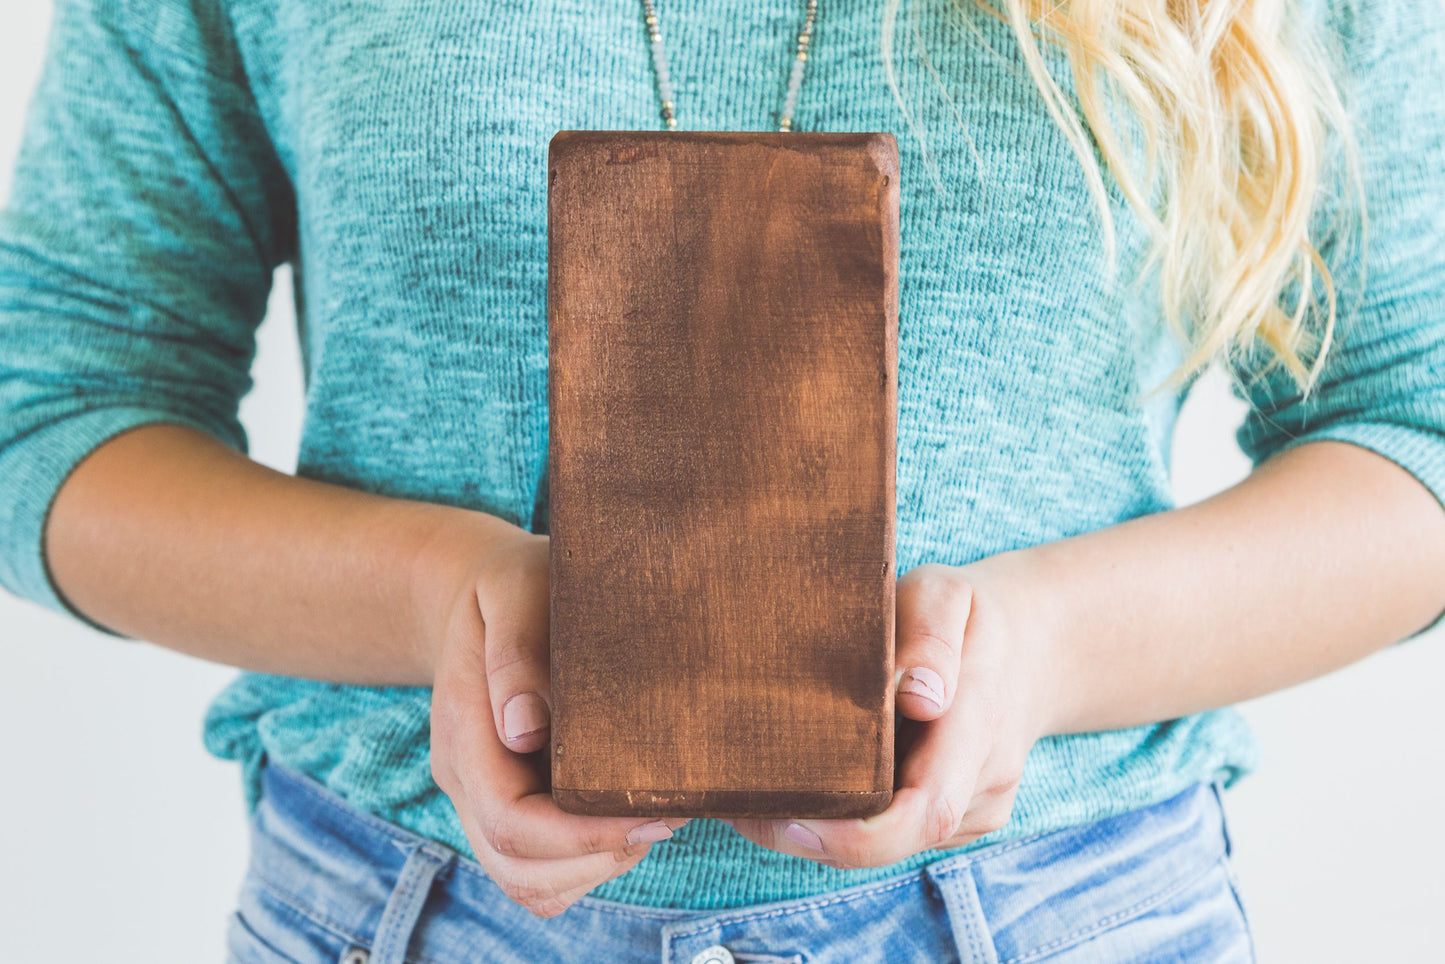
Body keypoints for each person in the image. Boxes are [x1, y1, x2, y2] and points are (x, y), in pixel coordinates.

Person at [1, 0, 1441, 960]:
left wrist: (1043, 649)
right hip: (414, 905)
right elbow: (53, 412)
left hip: (1060, 910)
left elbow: (1413, 430)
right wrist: (435, 599)